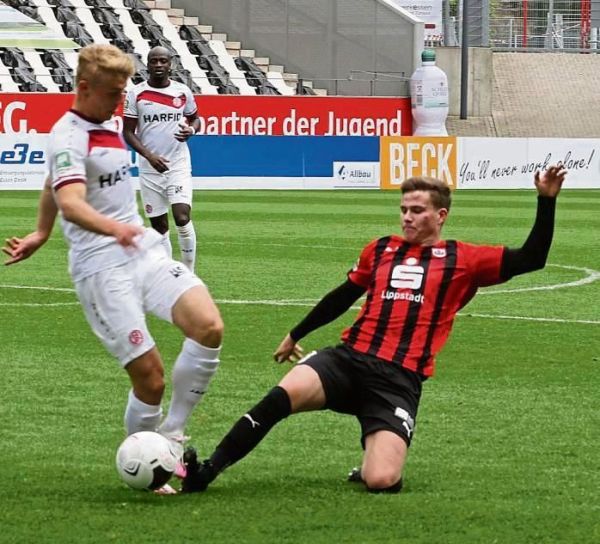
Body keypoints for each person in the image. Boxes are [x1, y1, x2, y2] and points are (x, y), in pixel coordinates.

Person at [181, 166, 567, 494]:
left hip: (397, 380)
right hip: (347, 360)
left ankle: (371, 462)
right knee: (282, 395)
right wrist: (296, 333)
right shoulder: (381, 249)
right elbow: (343, 294)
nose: (407, 217)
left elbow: (532, 258)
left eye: (417, 210)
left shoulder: (464, 258)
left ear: (441, 215)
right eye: (403, 210)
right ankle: (207, 471)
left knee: (381, 480)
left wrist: (546, 200)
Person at [2, 44, 222, 494]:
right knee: (151, 377)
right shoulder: (67, 135)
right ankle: (142, 458)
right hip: (102, 269)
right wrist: (111, 230)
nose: (120, 102)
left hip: (142, 252)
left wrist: (40, 232)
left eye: (124, 92)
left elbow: (49, 184)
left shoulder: (108, 121)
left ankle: (172, 435)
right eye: (113, 94)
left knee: (209, 326)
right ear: (84, 88)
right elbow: (70, 200)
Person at [123, 46, 199, 271]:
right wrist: (149, 155)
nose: (158, 65)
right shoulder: (136, 93)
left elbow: (195, 119)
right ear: (147, 64)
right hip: (149, 167)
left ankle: (188, 272)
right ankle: (169, 274)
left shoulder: (182, 91)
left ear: (170, 64)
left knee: (182, 217)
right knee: (159, 226)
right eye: (154, 61)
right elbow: (128, 132)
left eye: (163, 61)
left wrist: (191, 131)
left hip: (178, 163)